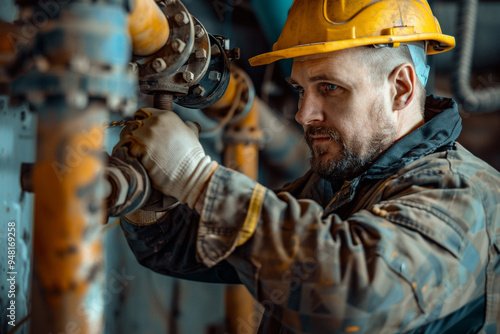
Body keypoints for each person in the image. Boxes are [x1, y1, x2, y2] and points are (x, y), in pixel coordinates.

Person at [112, 0, 500, 332]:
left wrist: (196, 177)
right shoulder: (343, 184)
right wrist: (153, 198)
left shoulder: (460, 195)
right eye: (300, 89)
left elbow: (349, 302)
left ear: (400, 88)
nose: (302, 113)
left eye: (329, 87)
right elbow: (192, 247)